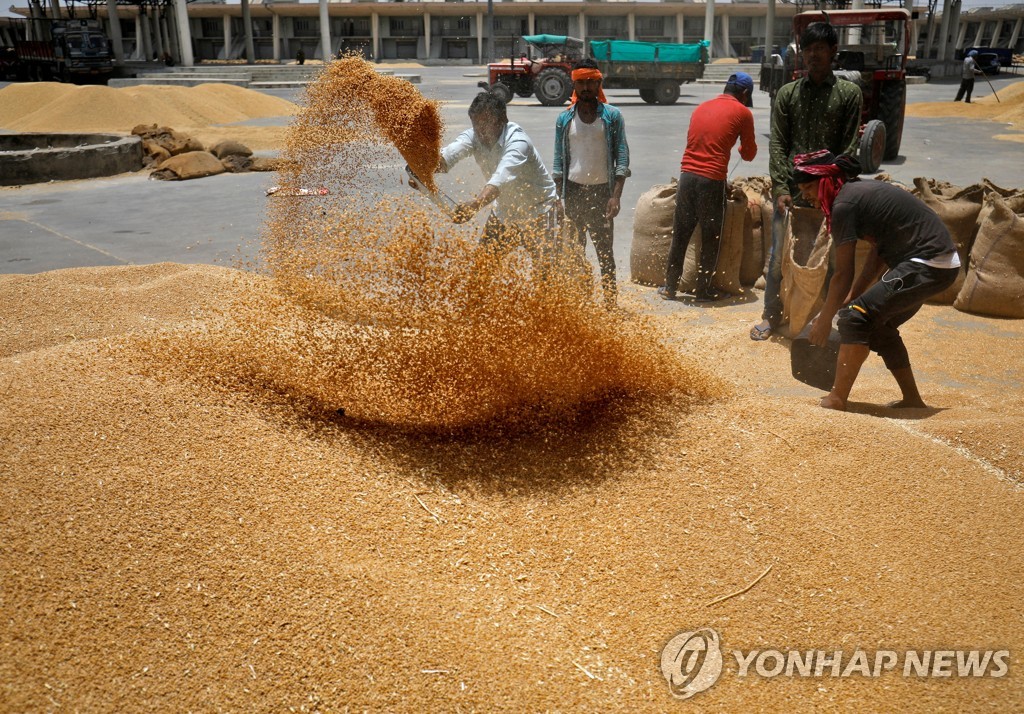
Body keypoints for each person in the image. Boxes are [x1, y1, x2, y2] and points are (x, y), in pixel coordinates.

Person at [794, 151, 960, 412]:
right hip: (933, 264)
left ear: (826, 181)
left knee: (855, 317)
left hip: (927, 263)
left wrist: (826, 319)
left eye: (808, 187)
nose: (805, 196)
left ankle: (837, 398)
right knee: (877, 326)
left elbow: (842, 273)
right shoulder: (855, 195)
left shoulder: (844, 205)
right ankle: (913, 400)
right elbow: (878, 252)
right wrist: (854, 296)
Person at [750, 21, 863, 340]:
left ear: (833, 53)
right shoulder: (787, 94)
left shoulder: (848, 94)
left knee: (830, 263)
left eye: (820, 49)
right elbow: (778, 144)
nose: (813, 55)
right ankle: (771, 315)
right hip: (791, 196)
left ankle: (822, 320)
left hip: (832, 197)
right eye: (808, 49)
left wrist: (829, 189)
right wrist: (783, 188)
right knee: (777, 260)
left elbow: (849, 147)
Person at [657, 72, 757, 302]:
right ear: (744, 93)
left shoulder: (701, 107)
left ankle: (670, 287)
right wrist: (741, 149)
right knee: (711, 236)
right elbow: (749, 154)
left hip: (687, 176)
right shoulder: (743, 112)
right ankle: (704, 291)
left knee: (681, 233)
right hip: (711, 181)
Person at [426, 91, 560, 262]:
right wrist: (423, 169)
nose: (481, 132)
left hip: (540, 211)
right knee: (482, 268)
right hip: (505, 212)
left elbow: (500, 180)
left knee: (546, 275)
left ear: (502, 119)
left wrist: (474, 205)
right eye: (476, 125)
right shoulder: (473, 136)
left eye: (486, 124)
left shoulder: (518, 142)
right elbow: (447, 157)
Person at [552, 58, 631, 304]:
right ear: (573, 85)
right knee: (574, 254)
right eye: (581, 83)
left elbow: (622, 157)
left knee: (605, 254)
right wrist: (558, 198)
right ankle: (580, 303)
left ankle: (610, 303)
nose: (586, 87)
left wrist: (615, 196)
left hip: (601, 194)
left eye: (591, 82)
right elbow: (558, 163)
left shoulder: (612, 117)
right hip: (573, 193)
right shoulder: (564, 120)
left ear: (599, 83)